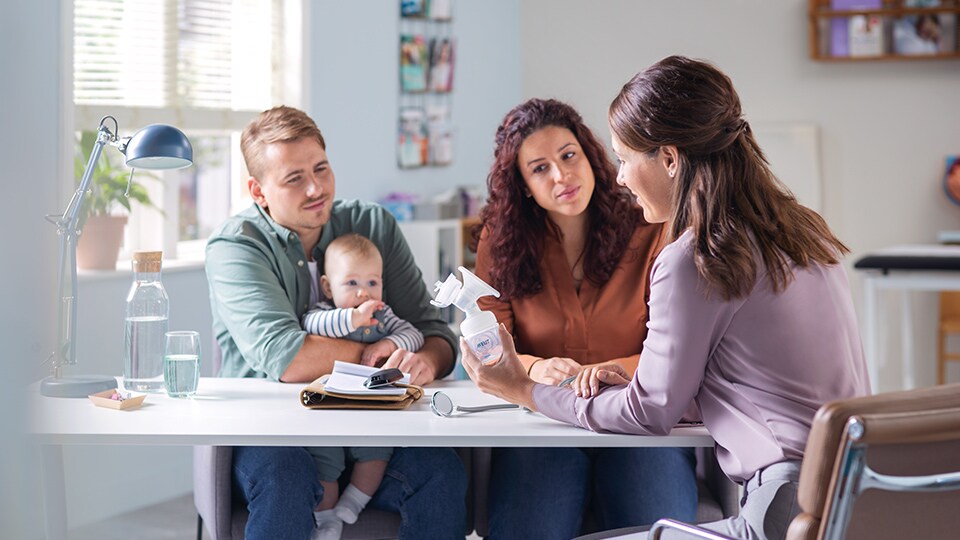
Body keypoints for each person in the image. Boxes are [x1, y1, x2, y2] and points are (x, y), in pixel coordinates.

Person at [461, 56, 870, 540]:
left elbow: (648, 412)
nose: (620, 178)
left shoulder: (696, 257)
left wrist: (523, 389)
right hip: (851, 493)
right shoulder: (807, 233)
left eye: (624, 159)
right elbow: (754, 382)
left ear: (670, 159)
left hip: (783, 506)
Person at [205, 105, 466, 540]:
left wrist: (423, 361)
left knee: (440, 473)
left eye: (321, 169)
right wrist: (375, 357)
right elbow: (286, 358)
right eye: (294, 179)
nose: (315, 188)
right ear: (258, 190)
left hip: (374, 426)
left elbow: (434, 332)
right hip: (273, 429)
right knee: (283, 481)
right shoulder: (236, 247)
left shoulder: (371, 225)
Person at [472, 98, 698, 538]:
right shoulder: (499, 243)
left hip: (638, 419)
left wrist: (603, 374)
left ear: (591, 156)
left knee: (661, 525)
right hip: (543, 424)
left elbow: (678, 349)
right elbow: (487, 347)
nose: (561, 176)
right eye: (539, 168)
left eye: (568, 156)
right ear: (523, 186)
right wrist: (536, 368)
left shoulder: (653, 225)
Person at [300, 233, 424, 539]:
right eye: (351, 284)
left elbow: (414, 335)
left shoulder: (383, 316)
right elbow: (309, 325)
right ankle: (327, 518)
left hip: (371, 411)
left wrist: (389, 341)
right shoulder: (323, 313)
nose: (363, 293)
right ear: (329, 287)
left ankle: (354, 501)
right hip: (329, 413)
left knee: (377, 452)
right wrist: (353, 319)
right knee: (324, 462)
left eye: (372, 283)